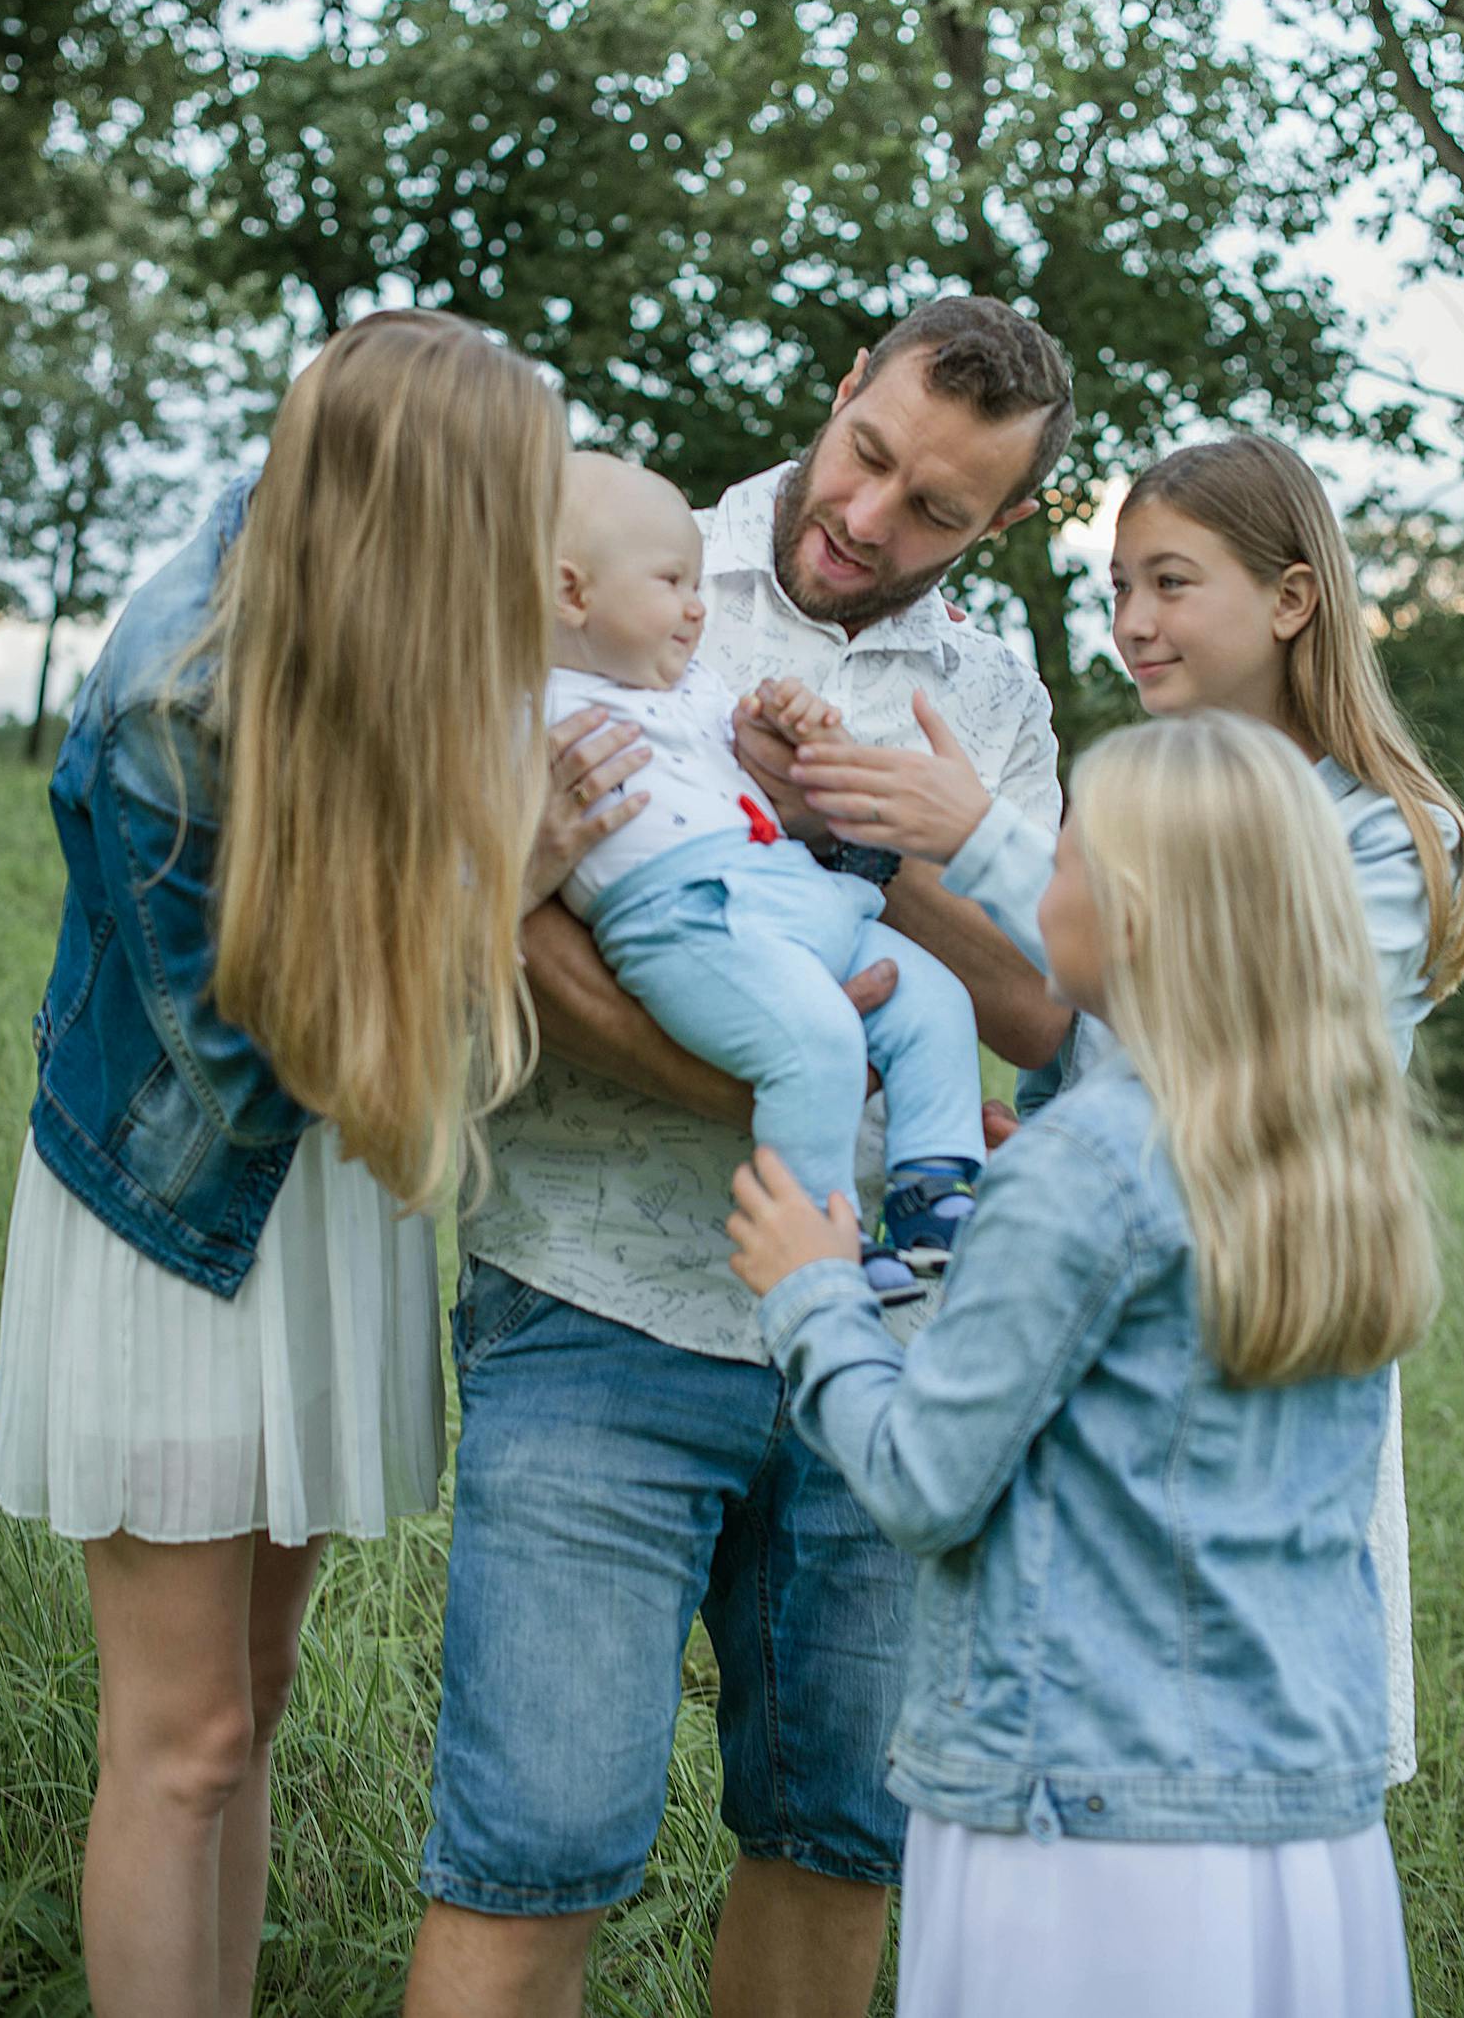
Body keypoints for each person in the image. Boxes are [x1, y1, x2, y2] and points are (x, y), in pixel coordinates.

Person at [406, 294, 1077, 2018]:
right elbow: (523, 919)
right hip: (603, 1309)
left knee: (839, 1839)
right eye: (869, 456)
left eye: (936, 509)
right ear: (839, 386)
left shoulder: (992, 704)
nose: (869, 518)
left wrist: (879, 831)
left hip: (882, 1366)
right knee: (528, 1856)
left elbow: (1036, 1009)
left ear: (999, 524)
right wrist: (770, 1089)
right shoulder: (618, 561)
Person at [0, 309, 611, 2018]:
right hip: (185, 1214)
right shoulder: (169, 703)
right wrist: (509, 892)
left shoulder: (361, 600)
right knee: (176, 1739)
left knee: (251, 1698)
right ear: (429, 509)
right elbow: (269, 1070)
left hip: (319, 1200)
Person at [789, 429, 1464, 1787]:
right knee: (1090, 1695)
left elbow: (1249, 1030)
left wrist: (976, 833)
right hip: (1100, 1307)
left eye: (1171, 583)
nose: (1132, 624)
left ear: (1293, 599)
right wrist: (1041, 1139)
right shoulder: (1150, 792)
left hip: (1260, 1318)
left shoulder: (1390, 834)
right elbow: (1101, 1048)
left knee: (1243, 1727)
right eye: (1116, 587)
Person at [729, 712, 1439, 2018]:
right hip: (1301, 1821)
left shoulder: (1096, 1161)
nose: (1036, 880)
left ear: (1139, 910)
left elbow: (926, 1479)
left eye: (1067, 857)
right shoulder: (1336, 1157)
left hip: (1089, 1824)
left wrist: (813, 1288)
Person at [548, 448, 989, 1300]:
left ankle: (936, 1192)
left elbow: (754, 755)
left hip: (791, 887)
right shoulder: (530, 699)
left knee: (935, 997)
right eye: (673, 582)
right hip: (689, 915)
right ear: (574, 594)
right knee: (817, 1042)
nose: (694, 608)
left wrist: (778, 733)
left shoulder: (696, 684)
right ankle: (821, 1244)